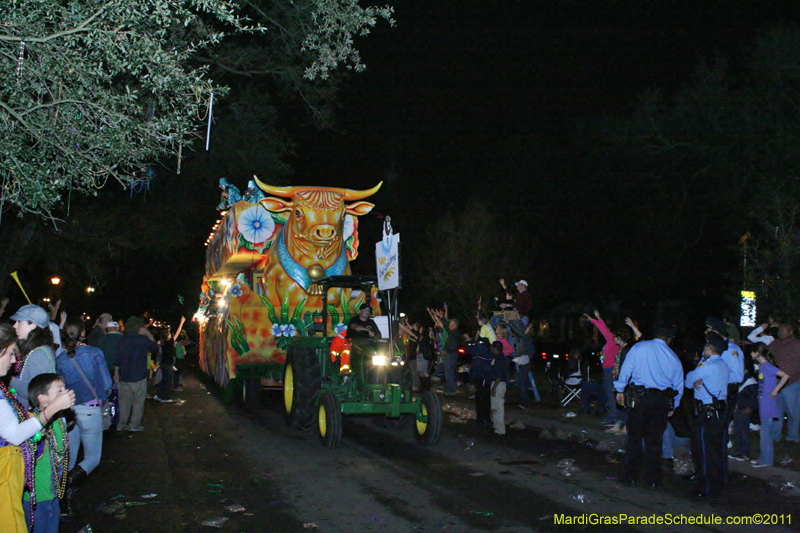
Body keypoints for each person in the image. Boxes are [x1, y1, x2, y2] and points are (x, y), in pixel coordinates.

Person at [0, 323, 75, 532]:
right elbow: (15, 435)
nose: (15, 360)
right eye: (11, 354)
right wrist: (51, 410)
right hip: (10, 483)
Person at [613, 323, 684, 488]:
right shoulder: (673, 357)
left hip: (639, 400)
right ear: (669, 339)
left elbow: (626, 370)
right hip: (660, 402)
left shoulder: (639, 347)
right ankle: (653, 479)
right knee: (654, 441)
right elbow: (678, 386)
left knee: (635, 439)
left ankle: (631, 476)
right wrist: (673, 406)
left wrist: (619, 389)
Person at [56, 319, 113, 486]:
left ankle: (62, 496)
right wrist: (103, 398)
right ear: (82, 333)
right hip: (90, 409)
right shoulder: (94, 353)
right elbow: (107, 384)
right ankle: (66, 487)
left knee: (70, 458)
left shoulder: (60, 358)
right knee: (92, 459)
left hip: (70, 411)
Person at [24, 373, 71, 533]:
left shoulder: (59, 419)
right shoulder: (33, 424)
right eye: (59, 391)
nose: (65, 393)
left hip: (52, 495)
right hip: (35, 500)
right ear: (42, 398)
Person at [685, 333, 729, 498]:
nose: (703, 349)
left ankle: (706, 486)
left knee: (703, 449)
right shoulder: (723, 364)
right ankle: (718, 479)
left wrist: (695, 378)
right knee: (716, 447)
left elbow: (688, 381)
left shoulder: (707, 365)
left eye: (705, 346)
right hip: (719, 411)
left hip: (707, 412)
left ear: (709, 349)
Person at [114, 316, 159, 432]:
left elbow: (117, 358)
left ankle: (121, 423)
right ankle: (134, 424)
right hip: (139, 375)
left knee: (124, 401)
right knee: (138, 401)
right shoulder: (143, 339)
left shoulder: (122, 339)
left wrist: (116, 373)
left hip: (124, 375)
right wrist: (148, 333)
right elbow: (155, 347)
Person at [751, 344, 791, 467]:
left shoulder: (767, 366)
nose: (751, 355)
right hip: (764, 402)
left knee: (765, 432)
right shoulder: (762, 367)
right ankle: (764, 457)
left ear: (757, 353)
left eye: (752, 352)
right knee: (766, 431)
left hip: (768, 404)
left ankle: (766, 460)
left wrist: (775, 390)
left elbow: (785, 376)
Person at [10, 304, 57, 410]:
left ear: (33, 325)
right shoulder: (38, 349)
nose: (14, 326)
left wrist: (11, 380)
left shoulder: (38, 354)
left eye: (19, 322)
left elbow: (35, 392)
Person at [763, 322, 800, 442]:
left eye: (783, 330)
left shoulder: (797, 345)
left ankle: (792, 435)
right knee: (777, 411)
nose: (780, 332)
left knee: (793, 412)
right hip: (776, 382)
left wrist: (791, 376)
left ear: (790, 332)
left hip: (792, 383)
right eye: (780, 330)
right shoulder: (775, 344)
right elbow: (767, 356)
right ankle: (776, 435)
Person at [154, 317, 186, 403]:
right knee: (167, 381)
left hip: (164, 364)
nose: (171, 334)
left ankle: (159, 395)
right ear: (168, 336)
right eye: (169, 334)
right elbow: (178, 332)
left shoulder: (163, 343)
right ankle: (164, 397)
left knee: (164, 380)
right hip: (167, 365)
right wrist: (182, 322)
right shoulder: (169, 343)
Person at [468, 339, 493, 430]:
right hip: (484, 378)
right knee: (485, 398)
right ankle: (485, 419)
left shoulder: (481, 349)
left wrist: (472, 342)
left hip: (482, 377)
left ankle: (482, 419)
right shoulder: (486, 350)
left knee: (481, 398)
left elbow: (469, 349)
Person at [489, 341, 509, 436]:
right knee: (495, 406)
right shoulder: (498, 357)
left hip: (498, 384)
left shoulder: (500, 359)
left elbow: (499, 375)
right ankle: (496, 426)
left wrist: (494, 387)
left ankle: (500, 428)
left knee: (498, 407)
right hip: (497, 384)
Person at [443, 318, 460, 397]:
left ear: (453, 325)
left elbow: (452, 345)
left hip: (451, 354)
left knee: (449, 372)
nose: (449, 326)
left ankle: (451, 390)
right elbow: (445, 325)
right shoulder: (453, 332)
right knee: (449, 372)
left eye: (450, 324)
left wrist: (447, 350)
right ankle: (450, 388)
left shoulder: (454, 333)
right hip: (451, 354)